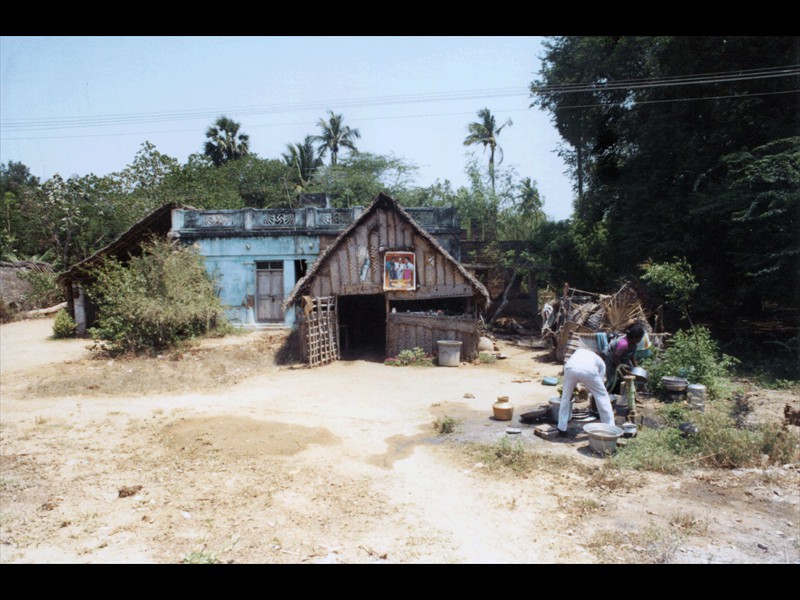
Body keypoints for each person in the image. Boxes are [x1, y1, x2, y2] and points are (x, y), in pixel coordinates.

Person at [557, 347, 614, 437]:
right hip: (588, 370)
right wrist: (591, 391)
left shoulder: (579, 351)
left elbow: (575, 369)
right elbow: (600, 382)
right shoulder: (601, 361)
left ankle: (561, 428)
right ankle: (610, 428)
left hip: (569, 368)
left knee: (565, 397)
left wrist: (576, 386)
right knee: (602, 396)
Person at [602, 324, 645, 392]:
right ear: (635, 338)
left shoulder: (633, 343)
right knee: (612, 379)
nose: (641, 339)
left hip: (621, 358)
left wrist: (636, 367)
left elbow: (631, 355)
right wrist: (623, 370)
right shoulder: (623, 343)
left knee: (630, 375)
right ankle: (604, 394)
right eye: (640, 337)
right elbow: (615, 358)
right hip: (611, 358)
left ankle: (624, 394)